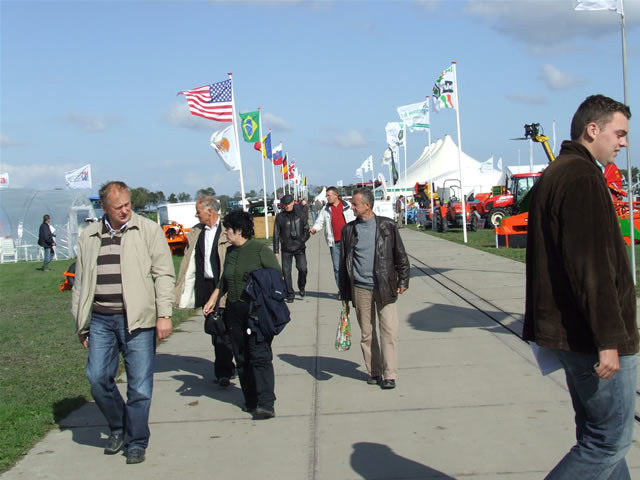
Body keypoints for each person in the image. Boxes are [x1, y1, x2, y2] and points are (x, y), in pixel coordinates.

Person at [523, 94, 638, 478]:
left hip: (574, 333)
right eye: (619, 134)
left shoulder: (558, 173)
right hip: (593, 337)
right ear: (593, 129)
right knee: (608, 442)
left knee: (598, 439)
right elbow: (591, 267)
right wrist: (609, 340)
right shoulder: (582, 177)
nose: (624, 143)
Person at [72, 181, 175, 465]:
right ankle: (119, 425)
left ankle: (136, 442)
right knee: (97, 378)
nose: (125, 210)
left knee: (139, 387)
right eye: (118, 207)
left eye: (128, 204)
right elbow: (80, 282)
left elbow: (164, 274)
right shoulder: (89, 236)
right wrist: (81, 324)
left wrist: (164, 315)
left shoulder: (147, 230)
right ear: (104, 208)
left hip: (138, 320)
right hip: (101, 320)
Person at [203, 210, 282, 419]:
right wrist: (213, 298)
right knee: (241, 356)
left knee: (259, 356)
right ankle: (251, 399)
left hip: (255, 312)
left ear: (238, 230)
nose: (225, 233)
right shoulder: (230, 252)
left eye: (228, 229)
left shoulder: (259, 250)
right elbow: (224, 279)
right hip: (233, 311)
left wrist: (259, 288)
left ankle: (266, 403)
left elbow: (276, 277)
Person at [339, 188, 409, 390]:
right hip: (360, 288)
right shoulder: (348, 230)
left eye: (355, 204)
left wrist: (403, 280)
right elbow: (344, 263)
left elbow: (400, 255)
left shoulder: (387, 226)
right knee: (367, 333)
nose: (352, 207)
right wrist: (344, 292)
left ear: (367, 205)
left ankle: (390, 374)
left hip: (385, 286)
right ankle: (374, 371)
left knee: (389, 331)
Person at [174, 195, 235, 386]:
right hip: (206, 286)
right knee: (216, 328)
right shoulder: (196, 232)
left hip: (226, 285)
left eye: (198, 211)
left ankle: (232, 365)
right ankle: (223, 371)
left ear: (210, 211)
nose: (196, 215)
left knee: (230, 329)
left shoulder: (228, 230)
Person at [310, 186, 355, 290]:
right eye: (326, 196)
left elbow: (356, 218)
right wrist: (315, 229)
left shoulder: (348, 206)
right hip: (335, 243)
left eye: (329, 195)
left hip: (348, 241)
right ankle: (342, 290)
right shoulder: (325, 209)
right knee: (337, 268)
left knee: (350, 266)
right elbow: (319, 222)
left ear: (336, 195)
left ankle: (352, 288)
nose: (327, 198)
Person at [273, 194, 310, 303]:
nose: (287, 206)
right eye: (285, 204)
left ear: (293, 202)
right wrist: (276, 250)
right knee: (286, 272)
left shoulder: (301, 215)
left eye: (289, 203)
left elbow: (306, 230)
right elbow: (276, 234)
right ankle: (290, 293)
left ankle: (301, 286)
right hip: (286, 248)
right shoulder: (280, 217)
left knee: (303, 268)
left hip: (299, 247)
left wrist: (301, 240)